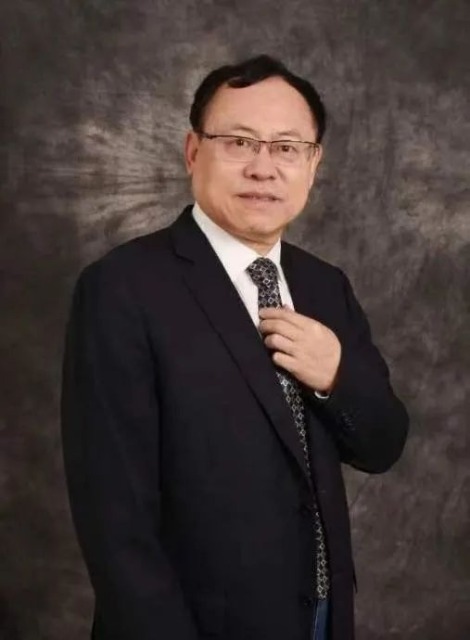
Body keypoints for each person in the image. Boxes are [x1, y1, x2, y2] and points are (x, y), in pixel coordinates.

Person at [61, 54, 409, 640]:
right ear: (193, 152)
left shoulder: (325, 285)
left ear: (313, 164)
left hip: (321, 618)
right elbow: (116, 523)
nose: (262, 168)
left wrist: (336, 377)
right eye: (239, 142)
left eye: (286, 148)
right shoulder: (122, 288)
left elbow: (383, 445)